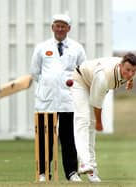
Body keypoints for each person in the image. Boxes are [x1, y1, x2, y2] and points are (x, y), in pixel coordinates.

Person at [30, 14, 86, 182]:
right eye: (57, 26)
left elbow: (83, 70)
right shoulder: (42, 47)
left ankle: (71, 173)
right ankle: (43, 173)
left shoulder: (77, 48)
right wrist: (48, 84)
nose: (60, 29)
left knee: (69, 137)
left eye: (63, 26)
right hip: (46, 99)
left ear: (69, 28)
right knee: (45, 138)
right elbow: (35, 72)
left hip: (68, 99)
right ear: (52, 27)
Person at [72, 53, 136, 182]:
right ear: (120, 66)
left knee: (91, 125)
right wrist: (99, 122)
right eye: (127, 70)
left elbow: (131, 73)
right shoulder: (104, 76)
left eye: (133, 71)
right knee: (83, 120)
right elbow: (96, 104)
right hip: (81, 80)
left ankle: (91, 169)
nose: (131, 73)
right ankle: (84, 163)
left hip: (94, 81)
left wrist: (130, 80)